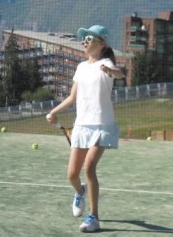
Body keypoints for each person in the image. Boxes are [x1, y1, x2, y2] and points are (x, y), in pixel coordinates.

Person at [47, 24, 124, 233]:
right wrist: (54, 111)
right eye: (83, 39)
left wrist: (110, 70)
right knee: (72, 175)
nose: (84, 42)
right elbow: (72, 97)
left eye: (89, 39)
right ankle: (80, 191)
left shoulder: (106, 63)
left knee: (89, 168)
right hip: (81, 125)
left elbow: (120, 74)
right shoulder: (80, 67)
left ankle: (94, 217)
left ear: (102, 43)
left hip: (102, 125)